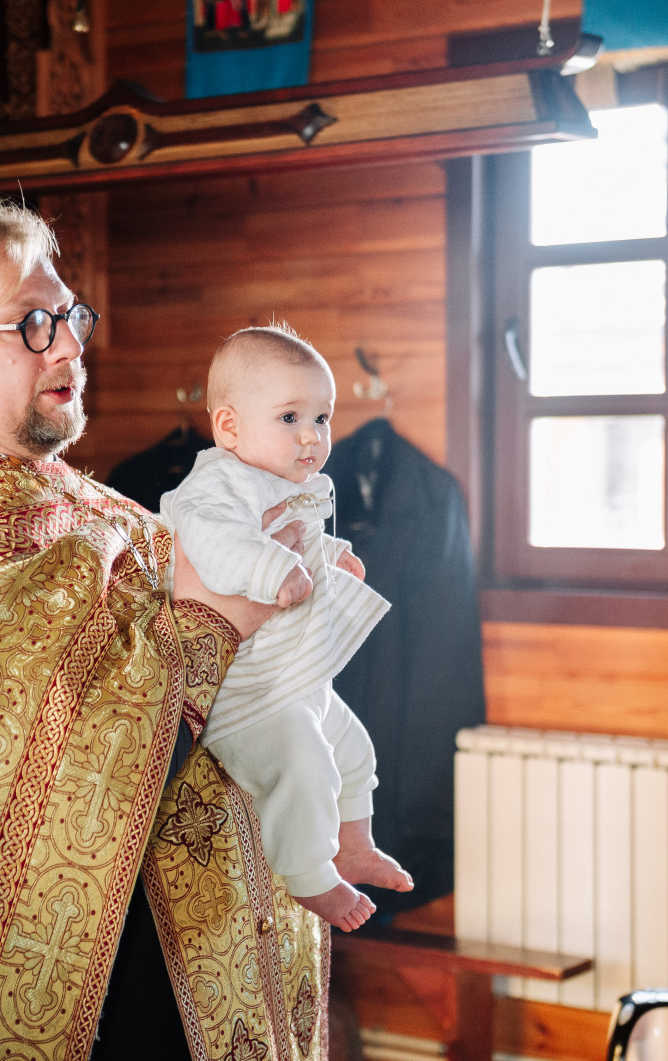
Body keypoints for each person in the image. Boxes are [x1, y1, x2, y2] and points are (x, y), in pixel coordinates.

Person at [0, 201, 333, 1061]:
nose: (70, 345)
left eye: (70, 316)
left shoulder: (76, 497)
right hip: (77, 995)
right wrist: (220, 623)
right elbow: (82, 758)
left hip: (169, 958)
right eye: (32, 323)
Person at [160, 325, 411, 932]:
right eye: (290, 416)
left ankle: (354, 843)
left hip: (291, 678)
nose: (312, 436)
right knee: (307, 763)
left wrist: (334, 556)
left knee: (355, 752)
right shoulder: (215, 486)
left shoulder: (286, 479)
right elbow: (220, 543)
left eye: (322, 418)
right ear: (229, 427)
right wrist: (276, 570)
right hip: (248, 698)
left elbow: (300, 536)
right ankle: (309, 877)